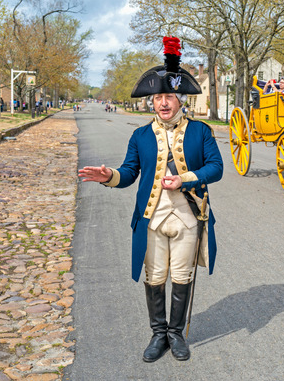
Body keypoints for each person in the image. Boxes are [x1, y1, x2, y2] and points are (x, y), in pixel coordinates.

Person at [78, 37, 223, 363]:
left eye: (169, 96)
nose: (163, 103)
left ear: (180, 99)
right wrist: (110, 176)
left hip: (188, 216)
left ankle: (176, 333)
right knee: (155, 276)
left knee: (182, 275)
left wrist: (185, 178)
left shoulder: (201, 132)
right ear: (151, 102)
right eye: (158, 97)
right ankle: (158, 334)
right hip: (152, 218)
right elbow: (129, 173)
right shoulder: (140, 136)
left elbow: (216, 168)